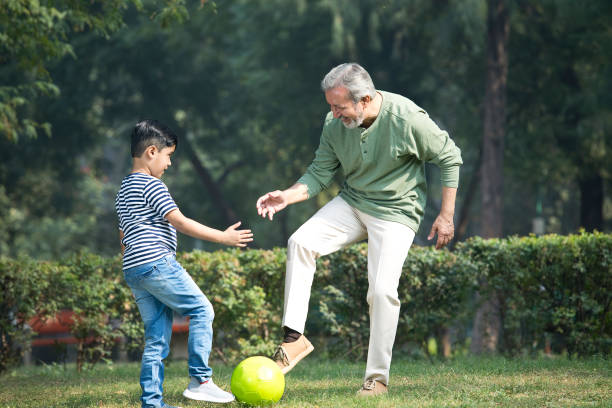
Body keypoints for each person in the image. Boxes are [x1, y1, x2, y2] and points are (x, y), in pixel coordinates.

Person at [256, 63, 462, 396]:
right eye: (330, 106)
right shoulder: (334, 124)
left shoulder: (406, 118)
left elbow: (450, 156)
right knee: (300, 242)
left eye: (339, 106)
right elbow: (320, 173)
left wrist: (447, 215)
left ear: (365, 99)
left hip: (397, 211)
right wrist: (288, 196)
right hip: (353, 202)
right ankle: (293, 340)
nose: (334, 114)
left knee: (381, 291)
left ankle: (376, 379)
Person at [115, 120, 253, 407]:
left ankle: (152, 403)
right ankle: (201, 380)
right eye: (168, 156)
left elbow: (123, 235)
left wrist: (136, 263)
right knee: (202, 310)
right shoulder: (152, 185)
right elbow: (180, 221)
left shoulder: (123, 189)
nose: (168, 164)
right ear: (152, 152)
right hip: (156, 262)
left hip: (134, 269)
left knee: (156, 339)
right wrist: (223, 237)